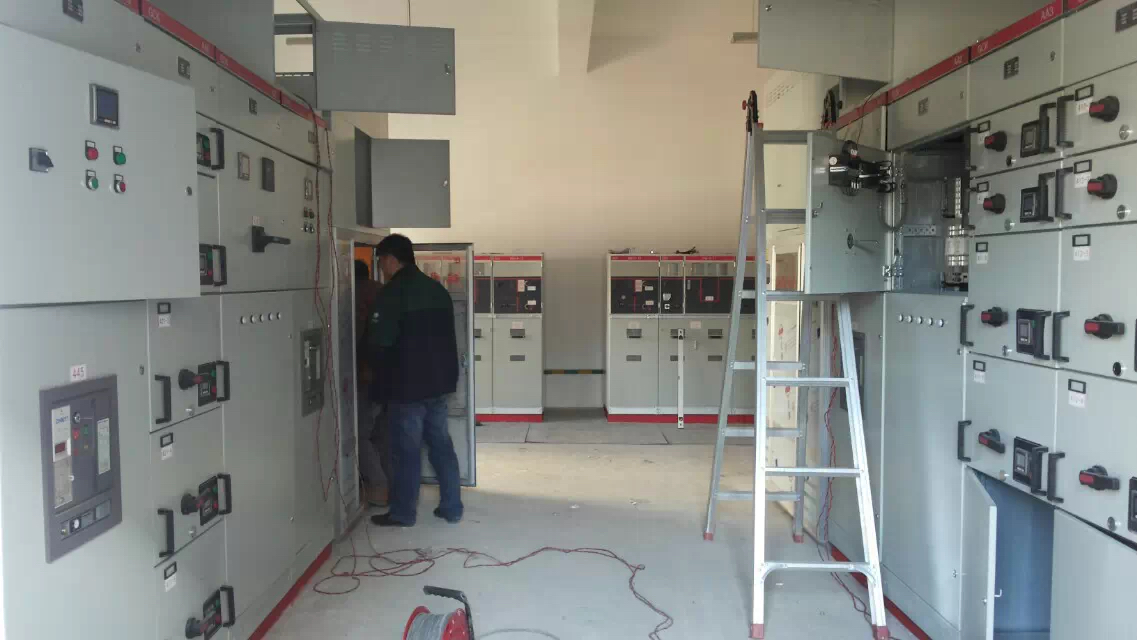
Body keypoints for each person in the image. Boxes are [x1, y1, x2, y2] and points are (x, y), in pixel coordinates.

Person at [365, 234, 464, 526]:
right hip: (439, 384)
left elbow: (379, 343)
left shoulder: (393, 293)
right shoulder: (437, 290)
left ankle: (403, 513)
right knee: (441, 446)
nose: (381, 267)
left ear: (391, 259)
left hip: (407, 387)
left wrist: (373, 378)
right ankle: (452, 507)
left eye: (381, 261)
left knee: (405, 452)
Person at [354, 260, 389, 508]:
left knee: (359, 434)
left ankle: (378, 486)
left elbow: (355, 336)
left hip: (366, 376)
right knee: (381, 433)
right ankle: (389, 484)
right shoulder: (384, 292)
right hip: (390, 376)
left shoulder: (354, 295)